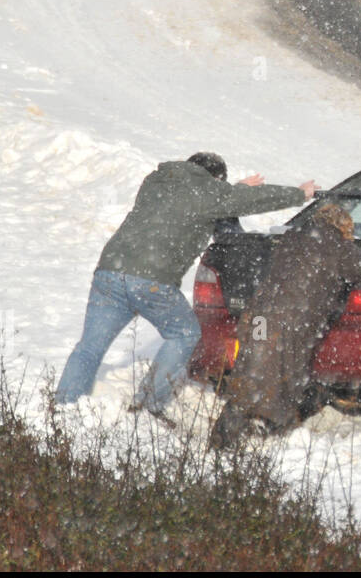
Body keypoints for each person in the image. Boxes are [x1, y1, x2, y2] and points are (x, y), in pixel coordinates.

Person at [55, 152, 316, 413]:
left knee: (89, 347)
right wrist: (299, 194)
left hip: (110, 273)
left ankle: (63, 407)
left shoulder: (157, 181)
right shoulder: (206, 194)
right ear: (214, 179)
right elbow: (243, 200)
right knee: (184, 334)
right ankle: (149, 405)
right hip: (151, 280)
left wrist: (231, 191)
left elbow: (198, 200)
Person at [209, 200, 361, 449]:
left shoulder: (293, 239)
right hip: (288, 322)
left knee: (251, 368)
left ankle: (225, 435)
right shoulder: (335, 246)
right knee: (283, 375)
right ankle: (269, 430)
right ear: (343, 228)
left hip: (258, 315)